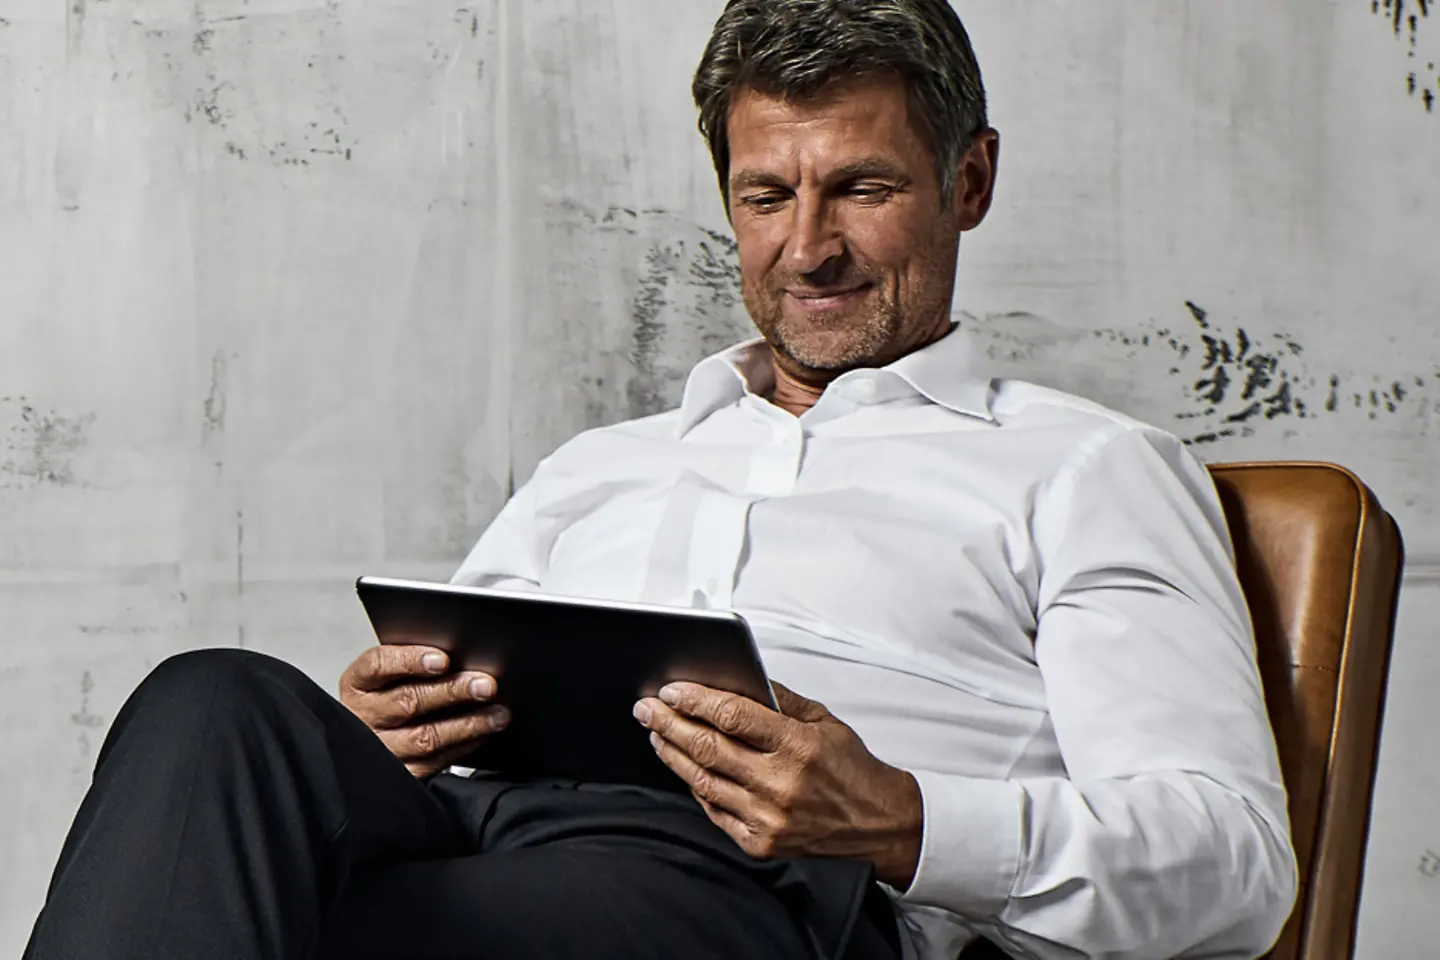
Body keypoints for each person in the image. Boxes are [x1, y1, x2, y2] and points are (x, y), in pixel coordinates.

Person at [24, 1, 1298, 958]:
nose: (811, 249)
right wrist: (394, 731)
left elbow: (1233, 865)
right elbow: (431, 744)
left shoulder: (1089, 469)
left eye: (861, 187)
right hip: (493, 835)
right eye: (766, 196)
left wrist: (902, 817)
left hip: (767, 892)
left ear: (968, 182)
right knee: (214, 705)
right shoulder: (601, 465)